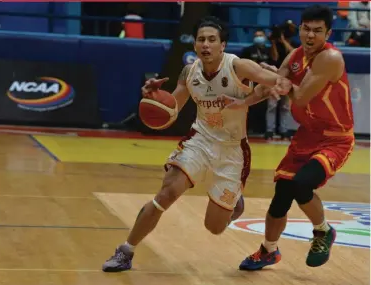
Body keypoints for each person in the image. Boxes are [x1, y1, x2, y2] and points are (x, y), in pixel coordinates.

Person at [102, 16, 292, 272]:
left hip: (232, 151)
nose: (206, 44)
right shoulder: (189, 72)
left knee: (214, 227)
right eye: (201, 39)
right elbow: (172, 111)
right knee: (166, 193)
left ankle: (235, 201)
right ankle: (126, 251)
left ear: (222, 45)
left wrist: (275, 83)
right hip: (199, 141)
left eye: (212, 40)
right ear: (194, 45)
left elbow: (278, 82)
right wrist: (155, 98)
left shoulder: (239, 67)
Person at [238, 5, 355, 270]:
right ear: (300, 28)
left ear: (328, 33)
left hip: (335, 138)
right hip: (306, 135)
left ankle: (323, 231)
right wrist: (239, 102)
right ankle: (268, 250)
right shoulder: (294, 56)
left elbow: (299, 97)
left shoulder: (330, 58)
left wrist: (282, 82)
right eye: (306, 29)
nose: (310, 35)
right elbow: (271, 86)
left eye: (317, 31)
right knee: (282, 192)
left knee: (303, 184)